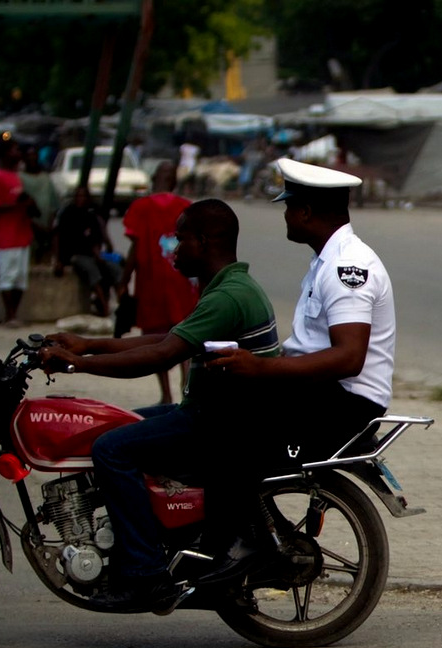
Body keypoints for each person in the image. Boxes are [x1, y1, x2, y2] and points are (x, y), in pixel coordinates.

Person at [39, 199, 282, 606]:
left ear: (203, 242)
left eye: (179, 239)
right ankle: (147, 537)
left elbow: (160, 355)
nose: (172, 248)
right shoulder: (224, 289)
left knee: (111, 450)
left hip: (222, 422)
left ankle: (143, 572)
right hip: (214, 412)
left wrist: (79, 365)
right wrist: (89, 343)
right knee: (116, 423)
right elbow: (167, 338)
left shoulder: (227, 297)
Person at [209, 157, 394, 463]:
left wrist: (260, 368)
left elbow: (349, 358)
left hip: (343, 402)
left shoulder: (346, 266)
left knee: (226, 446)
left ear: (305, 212)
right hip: (322, 392)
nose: (285, 215)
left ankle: (237, 512)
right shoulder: (326, 260)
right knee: (219, 403)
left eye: (288, 207)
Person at [121, 162, 198, 404]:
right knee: (187, 337)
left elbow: (134, 248)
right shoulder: (186, 207)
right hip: (182, 281)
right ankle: (186, 389)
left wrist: (124, 280)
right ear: (175, 182)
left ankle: (165, 394)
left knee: (156, 339)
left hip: (151, 281)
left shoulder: (140, 207)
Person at [0, 134, 38, 327]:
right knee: (7, 276)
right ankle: (9, 314)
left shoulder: (19, 176)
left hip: (22, 233)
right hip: (5, 236)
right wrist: (16, 205)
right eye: (15, 150)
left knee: (21, 278)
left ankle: (15, 313)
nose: (19, 154)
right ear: (6, 153)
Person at [53, 186, 120, 316]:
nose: (80, 199)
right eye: (78, 196)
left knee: (115, 268)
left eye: (83, 196)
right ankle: (105, 308)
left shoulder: (91, 215)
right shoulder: (68, 214)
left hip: (91, 254)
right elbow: (57, 236)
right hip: (74, 255)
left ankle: (122, 304)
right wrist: (58, 260)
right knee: (92, 269)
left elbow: (97, 236)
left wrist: (100, 254)